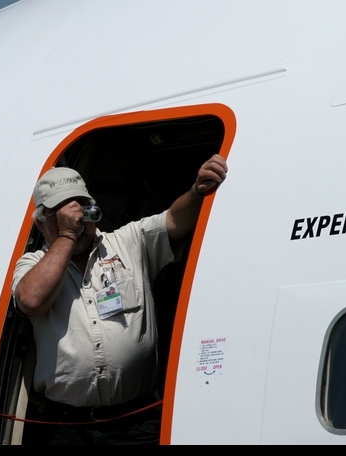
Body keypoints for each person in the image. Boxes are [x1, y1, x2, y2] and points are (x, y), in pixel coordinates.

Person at [12, 154, 228, 445]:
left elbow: (175, 220)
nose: (79, 220)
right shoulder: (32, 264)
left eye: (84, 209)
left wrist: (197, 191)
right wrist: (66, 235)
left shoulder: (128, 242)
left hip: (135, 422)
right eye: (66, 213)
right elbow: (31, 300)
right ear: (42, 223)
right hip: (67, 426)